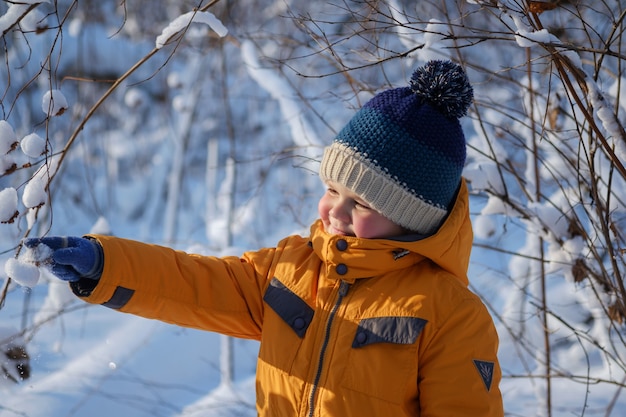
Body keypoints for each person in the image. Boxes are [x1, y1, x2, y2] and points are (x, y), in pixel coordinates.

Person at [26, 60, 504, 417]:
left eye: (361, 203)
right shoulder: (294, 268)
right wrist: (104, 264)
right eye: (332, 189)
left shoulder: (448, 315)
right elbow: (196, 283)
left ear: (410, 217)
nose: (334, 211)